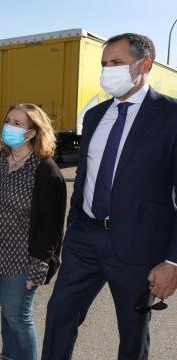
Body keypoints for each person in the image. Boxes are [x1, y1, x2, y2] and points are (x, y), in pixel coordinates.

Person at [42, 33, 177, 359]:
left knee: (132, 335)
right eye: (104, 64)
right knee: (59, 316)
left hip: (138, 246)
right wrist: (73, 228)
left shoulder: (170, 116)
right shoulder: (94, 115)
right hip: (84, 240)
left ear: (143, 65)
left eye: (116, 63)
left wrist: (173, 261)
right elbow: (86, 177)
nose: (107, 70)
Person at [0, 104, 66, 360]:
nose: (9, 126)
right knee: (7, 312)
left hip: (22, 260)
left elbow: (51, 226)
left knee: (18, 318)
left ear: (31, 133)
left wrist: (40, 266)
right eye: (8, 120)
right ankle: (7, 355)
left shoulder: (47, 171)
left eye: (17, 123)